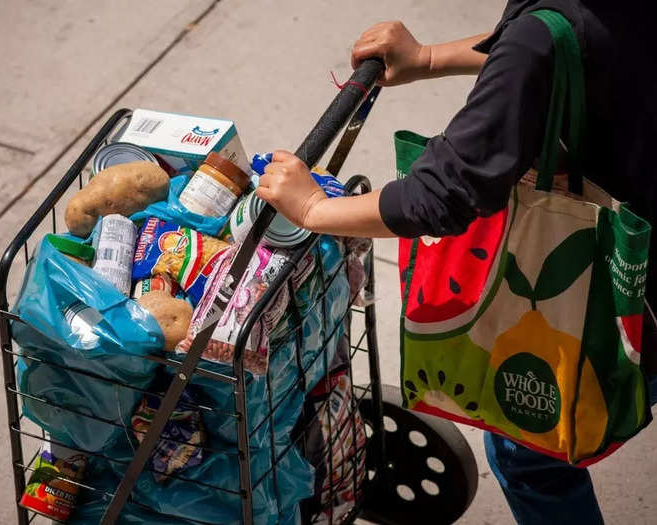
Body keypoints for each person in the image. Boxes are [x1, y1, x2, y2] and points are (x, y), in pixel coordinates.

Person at [257, 1, 657, 523]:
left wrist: (313, 207)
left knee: (528, 459)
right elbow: (564, 48)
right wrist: (427, 58)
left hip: (626, 297)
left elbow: (444, 193)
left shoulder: (538, 39)